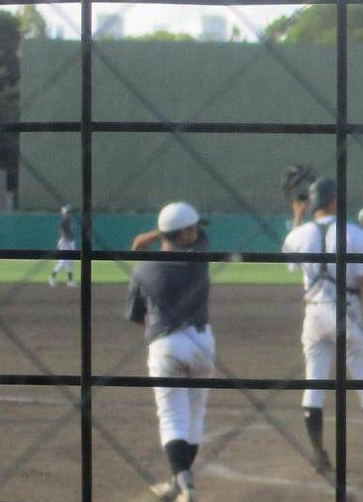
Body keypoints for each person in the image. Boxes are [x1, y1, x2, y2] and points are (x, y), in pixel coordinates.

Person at [283, 177, 363, 473]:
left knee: (314, 384)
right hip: (346, 313)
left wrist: (297, 215)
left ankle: (319, 455)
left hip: (314, 315)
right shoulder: (353, 233)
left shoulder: (300, 234)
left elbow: (290, 257)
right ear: (333, 201)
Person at [127, 202, 215, 502]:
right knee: (195, 417)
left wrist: (153, 238)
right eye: (193, 228)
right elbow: (194, 236)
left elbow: (137, 316)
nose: (198, 232)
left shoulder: (143, 268)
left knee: (171, 417)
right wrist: (162, 233)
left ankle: (184, 486)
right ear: (184, 233)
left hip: (165, 343)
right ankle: (179, 482)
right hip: (202, 341)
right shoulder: (200, 256)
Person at [49, 204, 79, 288]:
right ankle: (52, 277)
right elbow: (62, 234)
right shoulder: (62, 222)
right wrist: (67, 244)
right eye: (68, 212)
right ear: (64, 213)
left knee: (70, 262)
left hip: (71, 242)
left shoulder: (70, 221)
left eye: (70, 212)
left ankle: (70, 281)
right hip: (65, 242)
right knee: (62, 262)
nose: (70, 213)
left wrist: (71, 243)